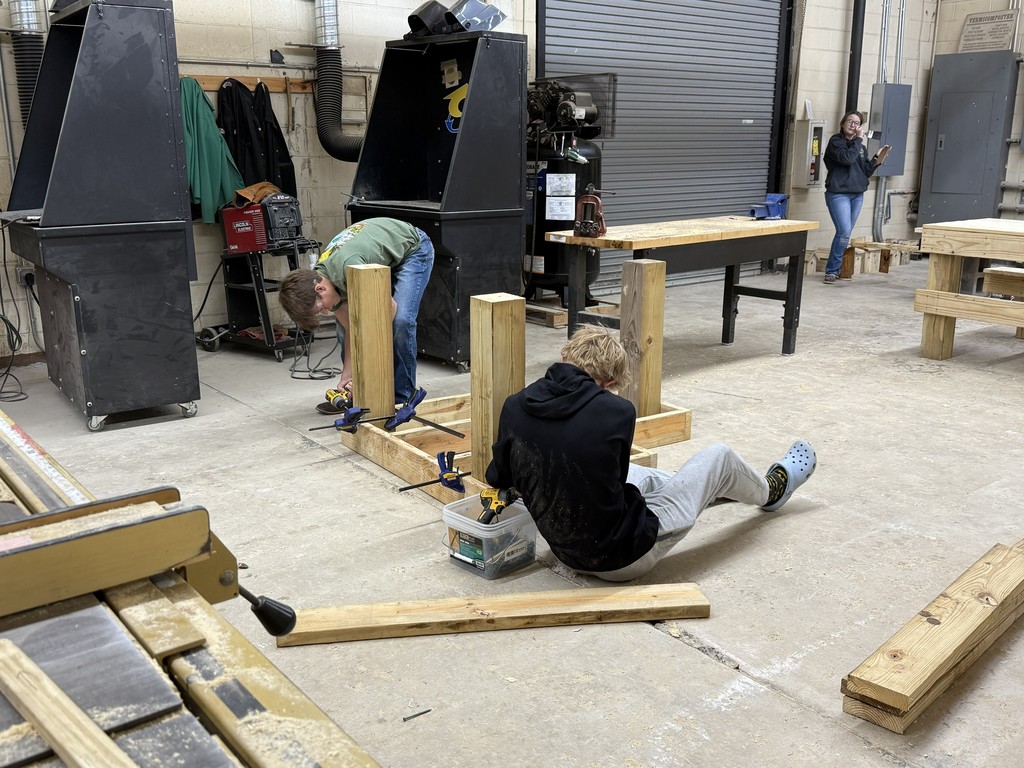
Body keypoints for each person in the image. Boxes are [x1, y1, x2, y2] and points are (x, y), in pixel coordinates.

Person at [484, 326, 816, 582]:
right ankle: (771, 492)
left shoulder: (515, 405)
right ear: (608, 382)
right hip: (623, 558)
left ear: (565, 355)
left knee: (645, 477)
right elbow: (615, 484)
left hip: (564, 553)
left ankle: (714, 488)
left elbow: (497, 478)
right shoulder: (615, 411)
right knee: (719, 457)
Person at [279, 217, 433, 408]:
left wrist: (367, 369)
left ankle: (403, 397)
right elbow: (351, 328)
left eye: (321, 308)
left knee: (401, 322)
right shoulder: (323, 280)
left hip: (413, 248)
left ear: (320, 290)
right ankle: (355, 392)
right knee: (344, 330)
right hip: (375, 254)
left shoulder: (349, 266)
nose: (325, 311)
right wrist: (348, 375)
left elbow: (387, 312)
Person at [822, 110, 890, 284]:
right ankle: (831, 270)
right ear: (843, 124)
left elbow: (864, 172)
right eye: (850, 122)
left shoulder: (861, 147)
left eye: (857, 123)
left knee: (845, 233)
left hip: (857, 194)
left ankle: (836, 269)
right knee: (844, 231)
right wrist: (859, 140)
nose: (853, 125)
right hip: (838, 194)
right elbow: (846, 159)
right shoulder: (835, 142)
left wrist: (876, 158)